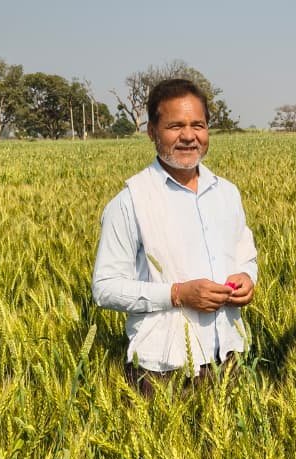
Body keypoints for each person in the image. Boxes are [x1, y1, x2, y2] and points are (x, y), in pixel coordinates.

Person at [92, 77, 257, 389]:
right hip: (162, 370)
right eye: (175, 126)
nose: (189, 136)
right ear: (152, 131)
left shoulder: (227, 193)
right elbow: (105, 288)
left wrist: (247, 278)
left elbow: (245, 255)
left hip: (229, 358)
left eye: (198, 125)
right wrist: (177, 294)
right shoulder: (131, 201)